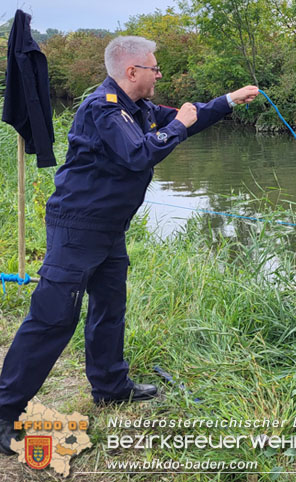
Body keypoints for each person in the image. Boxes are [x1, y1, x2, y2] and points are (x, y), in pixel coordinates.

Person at [0, 36, 259, 455]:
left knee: (109, 306)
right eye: (154, 68)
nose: (159, 74)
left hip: (108, 228)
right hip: (77, 229)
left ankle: (110, 386)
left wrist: (229, 100)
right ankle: (3, 412)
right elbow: (140, 154)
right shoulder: (104, 108)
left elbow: (187, 118)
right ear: (132, 72)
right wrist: (179, 125)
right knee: (53, 318)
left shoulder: (136, 108)